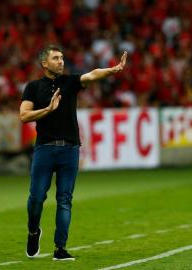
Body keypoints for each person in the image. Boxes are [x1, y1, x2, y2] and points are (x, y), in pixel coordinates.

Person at [20, 45, 127, 261]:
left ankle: (60, 248)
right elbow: (24, 116)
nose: (61, 61)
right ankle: (33, 232)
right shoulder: (32, 87)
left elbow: (93, 74)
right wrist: (48, 110)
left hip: (70, 149)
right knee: (36, 198)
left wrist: (112, 70)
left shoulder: (69, 82)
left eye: (62, 58)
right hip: (44, 149)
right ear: (44, 63)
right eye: (56, 58)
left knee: (64, 200)